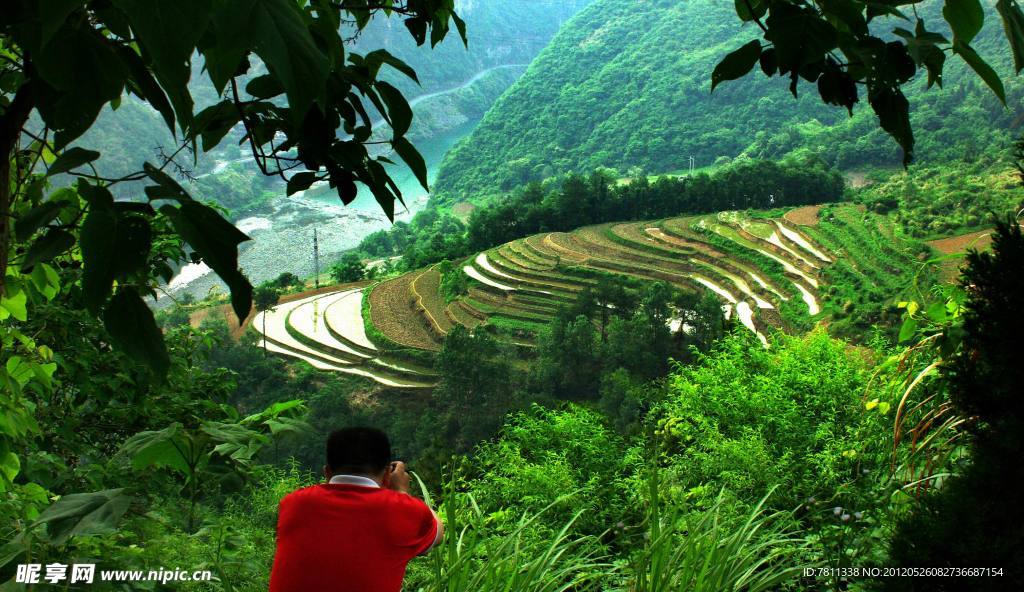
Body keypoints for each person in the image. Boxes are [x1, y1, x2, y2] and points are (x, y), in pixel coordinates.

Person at [269, 427, 444, 592]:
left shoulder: (292, 503)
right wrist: (402, 493)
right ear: (387, 475)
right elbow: (438, 532)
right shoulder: (402, 509)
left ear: (327, 472)